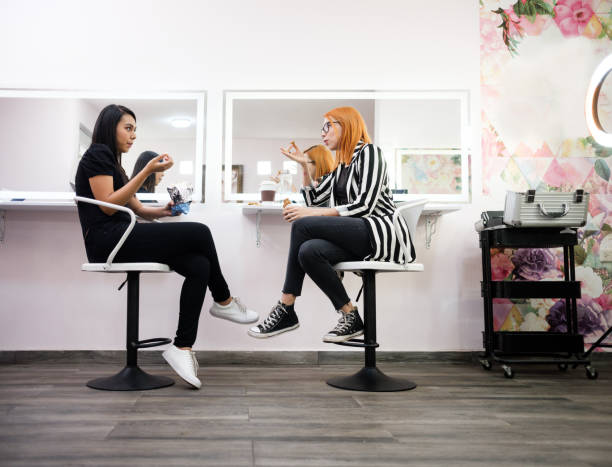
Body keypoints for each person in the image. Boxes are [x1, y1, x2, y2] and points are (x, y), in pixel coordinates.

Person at [75, 104, 258, 389]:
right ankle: (224, 301)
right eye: (128, 128)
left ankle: (182, 348)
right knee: (200, 232)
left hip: (123, 236)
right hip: (108, 242)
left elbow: (140, 211)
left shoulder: (115, 164)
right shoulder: (98, 153)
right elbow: (110, 207)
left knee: (200, 265)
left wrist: (165, 211)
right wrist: (147, 169)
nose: (133, 135)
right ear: (110, 128)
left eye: (135, 129)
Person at [248, 106, 413, 342]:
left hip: (380, 233)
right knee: (308, 251)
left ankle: (286, 306)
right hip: (357, 236)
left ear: (346, 125)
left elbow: (365, 205)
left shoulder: (369, 153)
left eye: (328, 126)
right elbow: (315, 198)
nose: (322, 134)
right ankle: (350, 315)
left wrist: (310, 213)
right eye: (321, 129)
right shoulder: (341, 166)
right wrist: (304, 164)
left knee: (302, 225)